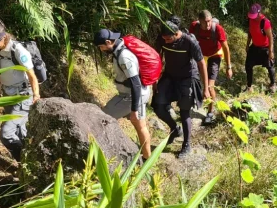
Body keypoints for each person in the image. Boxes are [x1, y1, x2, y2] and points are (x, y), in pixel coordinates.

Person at [0, 22, 41, 162]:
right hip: (7, 95)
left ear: (4, 37)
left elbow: (32, 76)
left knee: (6, 134)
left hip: (23, 95)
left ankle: (26, 162)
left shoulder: (18, 50)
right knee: (21, 131)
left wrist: (36, 95)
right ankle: (31, 163)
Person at [153, 16, 209, 157]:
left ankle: (186, 144)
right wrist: (154, 80)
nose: (165, 42)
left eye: (168, 39)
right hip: (169, 76)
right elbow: (156, 58)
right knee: (158, 105)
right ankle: (175, 129)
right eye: (164, 39)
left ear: (176, 33)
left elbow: (202, 64)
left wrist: (206, 88)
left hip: (188, 77)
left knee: (184, 112)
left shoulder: (189, 42)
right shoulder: (162, 38)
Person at [95, 28, 154, 160]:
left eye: (101, 46)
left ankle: (102, 155)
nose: (101, 50)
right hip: (137, 94)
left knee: (101, 118)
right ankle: (147, 158)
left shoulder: (124, 56)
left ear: (108, 42)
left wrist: (133, 110)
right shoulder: (119, 49)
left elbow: (135, 83)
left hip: (131, 96)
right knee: (141, 126)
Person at [190, 10, 232, 123]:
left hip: (215, 55)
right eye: (205, 22)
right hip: (201, 56)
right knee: (196, 80)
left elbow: (226, 48)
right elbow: (189, 42)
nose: (208, 24)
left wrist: (229, 67)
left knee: (209, 86)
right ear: (199, 21)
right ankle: (195, 101)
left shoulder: (217, 29)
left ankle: (210, 112)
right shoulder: (194, 27)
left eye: (209, 21)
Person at [245, 3, 277, 93]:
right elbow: (250, 33)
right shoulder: (251, 20)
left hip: (265, 47)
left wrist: (271, 52)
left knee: (270, 65)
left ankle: (273, 84)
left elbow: (270, 37)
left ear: (259, 13)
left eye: (254, 15)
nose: (252, 17)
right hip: (255, 46)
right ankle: (249, 86)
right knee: (248, 65)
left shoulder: (265, 22)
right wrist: (247, 45)